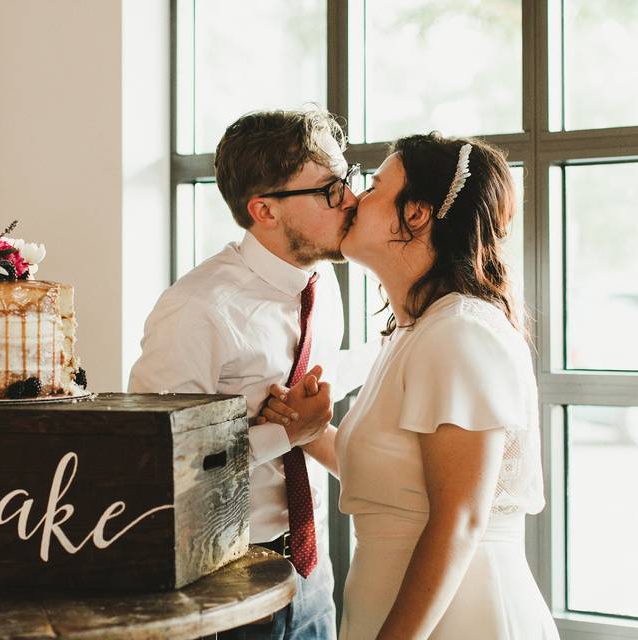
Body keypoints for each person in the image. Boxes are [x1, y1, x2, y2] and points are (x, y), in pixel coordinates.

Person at [262, 133, 559, 639]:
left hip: (461, 616)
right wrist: (309, 431)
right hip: (390, 603)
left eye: (375, 186)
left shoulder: (460, 331)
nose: (354, 199)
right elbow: (398, 484)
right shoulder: (414, 332)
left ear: (416, 214)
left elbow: (458, 519)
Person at [129, 107, 376, 640]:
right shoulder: (197, 309)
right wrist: (285, 434)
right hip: (224, 586)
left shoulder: (319, 286)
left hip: (312, 570)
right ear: (264, 209)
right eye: (329, 190)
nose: (351, 201)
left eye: (347, 181)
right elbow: (153, 462)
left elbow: (319, 377)